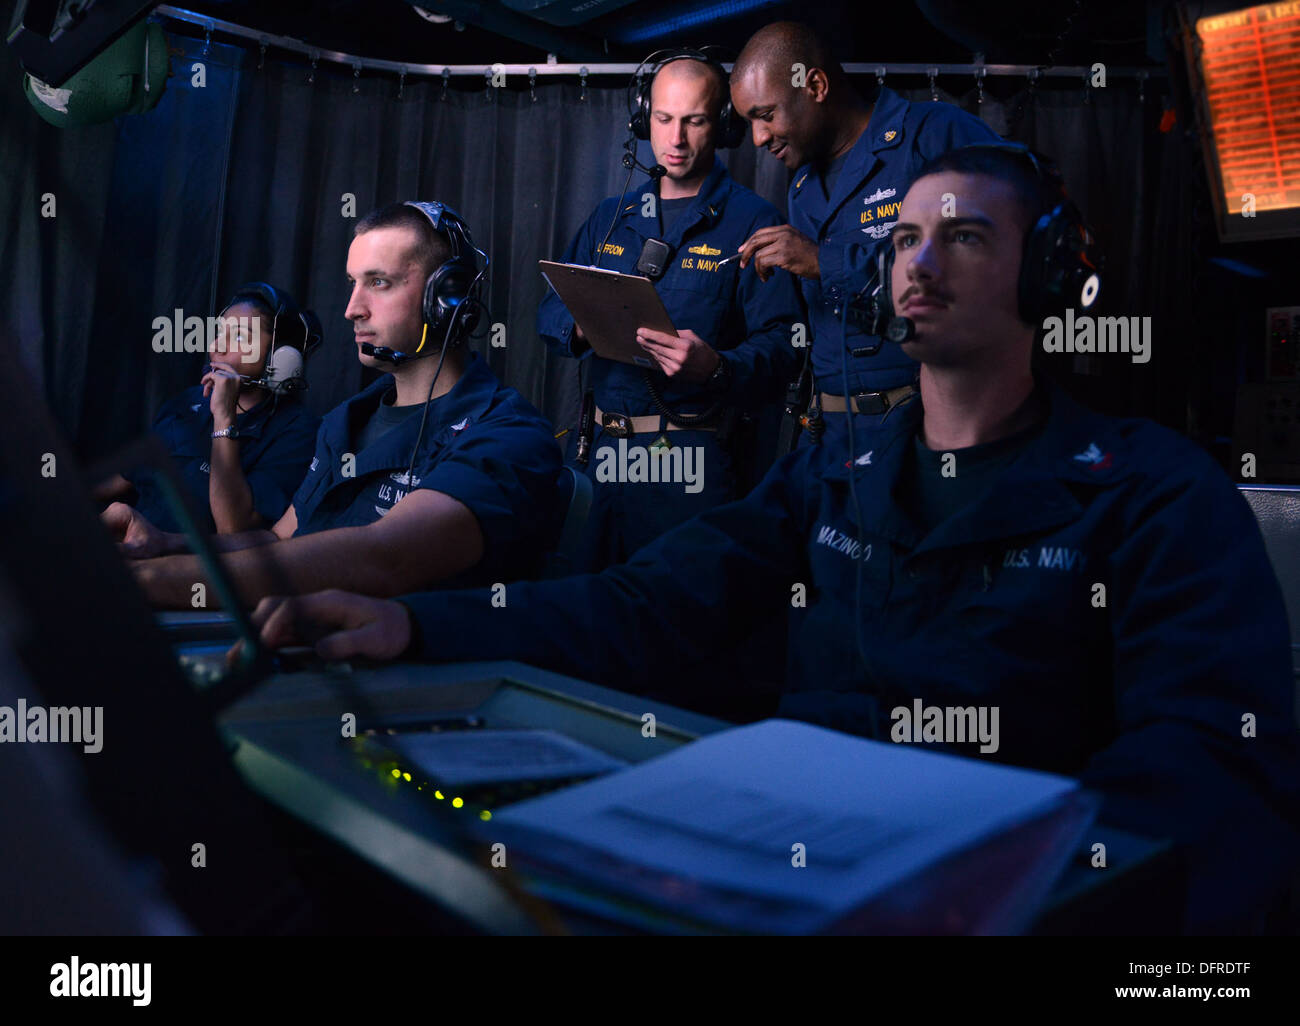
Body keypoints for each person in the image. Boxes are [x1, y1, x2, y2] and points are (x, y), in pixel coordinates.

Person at [244, 149, 1300, 933]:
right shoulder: (831, 473)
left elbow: (1209, 773)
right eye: (901, 242)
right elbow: (645, 603)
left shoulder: (1154, 491)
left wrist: (1035, 901)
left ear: (1049, 274)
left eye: (964, 236)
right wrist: (411, 627)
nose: (917, 265)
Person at [103, 201, 563, 609]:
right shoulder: (343, 422)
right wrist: (163, 545)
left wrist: (152, 580)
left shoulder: (508, 435)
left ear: (447, 298)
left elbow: (383, 558)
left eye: (378, 283)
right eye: (352, 283)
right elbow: (276, 539)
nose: (351, 308)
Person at [539, 48, 803, 569]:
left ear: (723, 124)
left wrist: (718, 367)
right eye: (663, 119)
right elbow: (548, 310)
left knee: (677, 625)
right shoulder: (610, 218)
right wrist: (580, 324)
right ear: (644, 117)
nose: (676, 139)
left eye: (695, 121)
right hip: (600, 457)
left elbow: (785, 347)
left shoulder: (754, 221)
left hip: (689, 464)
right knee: (581, 613)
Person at [731, 21, 999, 439]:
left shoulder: (932, 135)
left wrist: (824, 262)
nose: (758, 137)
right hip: (832, 432)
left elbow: (988, 264)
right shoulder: (802, 187)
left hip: (924, 427)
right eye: (749, 122)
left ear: (815, 86)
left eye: (765, 116)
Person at [95, 283, 320, 534]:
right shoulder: (188, 403)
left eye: (238, 337)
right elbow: (125, 476)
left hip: (190, 568)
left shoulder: (297, 433)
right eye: (219, 333)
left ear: (279, 358)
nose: (216, 348)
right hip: (128, 546)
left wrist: (224, 419)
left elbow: (233, 527)